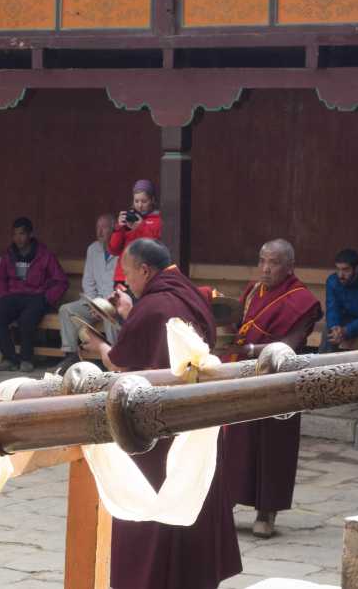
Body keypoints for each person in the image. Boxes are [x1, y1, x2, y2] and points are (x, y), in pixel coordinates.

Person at [81, 239, 241, 589]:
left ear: (144, 270)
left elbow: (125, 360)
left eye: (129, 274)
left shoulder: (154, 307)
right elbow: (160, 338)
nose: (127, 283)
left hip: (160, 424)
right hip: (197, 413)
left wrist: (99, 347)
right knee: (194, 489)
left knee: (153, 505)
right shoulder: (189, 294)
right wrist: (129, 312)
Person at [222, 238, 322, 538]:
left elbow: (288, 345)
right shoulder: (253, 290)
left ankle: (267, 512)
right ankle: (224, 506)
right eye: (262, 261)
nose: (265, 268)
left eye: (274, 262)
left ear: (289, 266)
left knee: (272, 447)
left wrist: (249, 347)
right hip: (244, 375)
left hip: (280, 379)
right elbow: (237, 327)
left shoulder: (302, 301)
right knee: (235, 443)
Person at [0, 217, 69, 372]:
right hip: (13, 296)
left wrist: (47, 299)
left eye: (22, 234)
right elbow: (1, 277)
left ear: (30, 234)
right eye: (15, 234)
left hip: (36, 297)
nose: (18, 238)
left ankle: (26, 359)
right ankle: (10, 359)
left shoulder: (44, 255)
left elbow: (61, 281)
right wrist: (4, 295)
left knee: (26, 320)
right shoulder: (9, 254)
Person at [54, 213, 118, 372]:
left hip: (114, 301)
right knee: (66, 310)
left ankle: (114, 358)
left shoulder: (122, 249)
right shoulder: (92, 249)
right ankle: (70, 355)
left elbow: (124, 283)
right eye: (98, 227)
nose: (100, 232)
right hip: (95, 300)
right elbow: (88, 281)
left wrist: (105, 305)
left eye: (104, 227)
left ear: (114, 229)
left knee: (111, 316)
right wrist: (93, 303)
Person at [107, 179, 162, 290]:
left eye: (144, 201)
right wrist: (118, 228)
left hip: (144, 277)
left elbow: (156, 248)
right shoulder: (129, 218)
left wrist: (141, 227)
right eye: (136, 201)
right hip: (122, 276)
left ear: (152, 200)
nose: (140, 205)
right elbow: (114, 250)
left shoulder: (158, 220)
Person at [321, 249, 358, 353]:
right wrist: (335, 327)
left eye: (345, 270)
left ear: (356, 269)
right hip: (346, 320)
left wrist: (347, 330)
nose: (340, 275)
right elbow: (332, 308)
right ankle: (322, 366)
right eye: (338, 269)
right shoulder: (333, 281)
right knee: (328, 331)